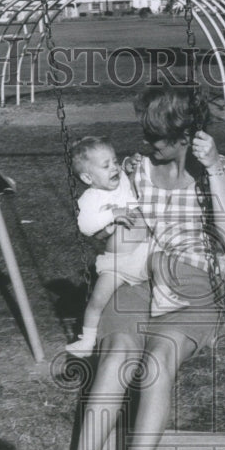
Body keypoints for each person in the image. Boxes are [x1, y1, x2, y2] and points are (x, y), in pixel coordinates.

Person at [64, 86, 225, 450]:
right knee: (116, 359)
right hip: (139, 277)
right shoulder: (133, 168)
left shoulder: (220, 169)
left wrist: (213, 166)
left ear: (184, 136)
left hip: (192, 286)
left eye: (156, 138)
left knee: (158, 361)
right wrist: (113, 231)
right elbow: (101, 218)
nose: (147, 145)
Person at [65, 137, 151, 357]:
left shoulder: (121, 179)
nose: (113, 168)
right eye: (106, 166)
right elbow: (84, 226)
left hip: (145, 250)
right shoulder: (89, 199)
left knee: (164, 275)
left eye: (113, 161)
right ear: (87, 177)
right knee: (97, 301)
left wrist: (129, 163)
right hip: (116, 263)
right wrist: (113, 214)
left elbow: (126, 172)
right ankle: (87, 340)